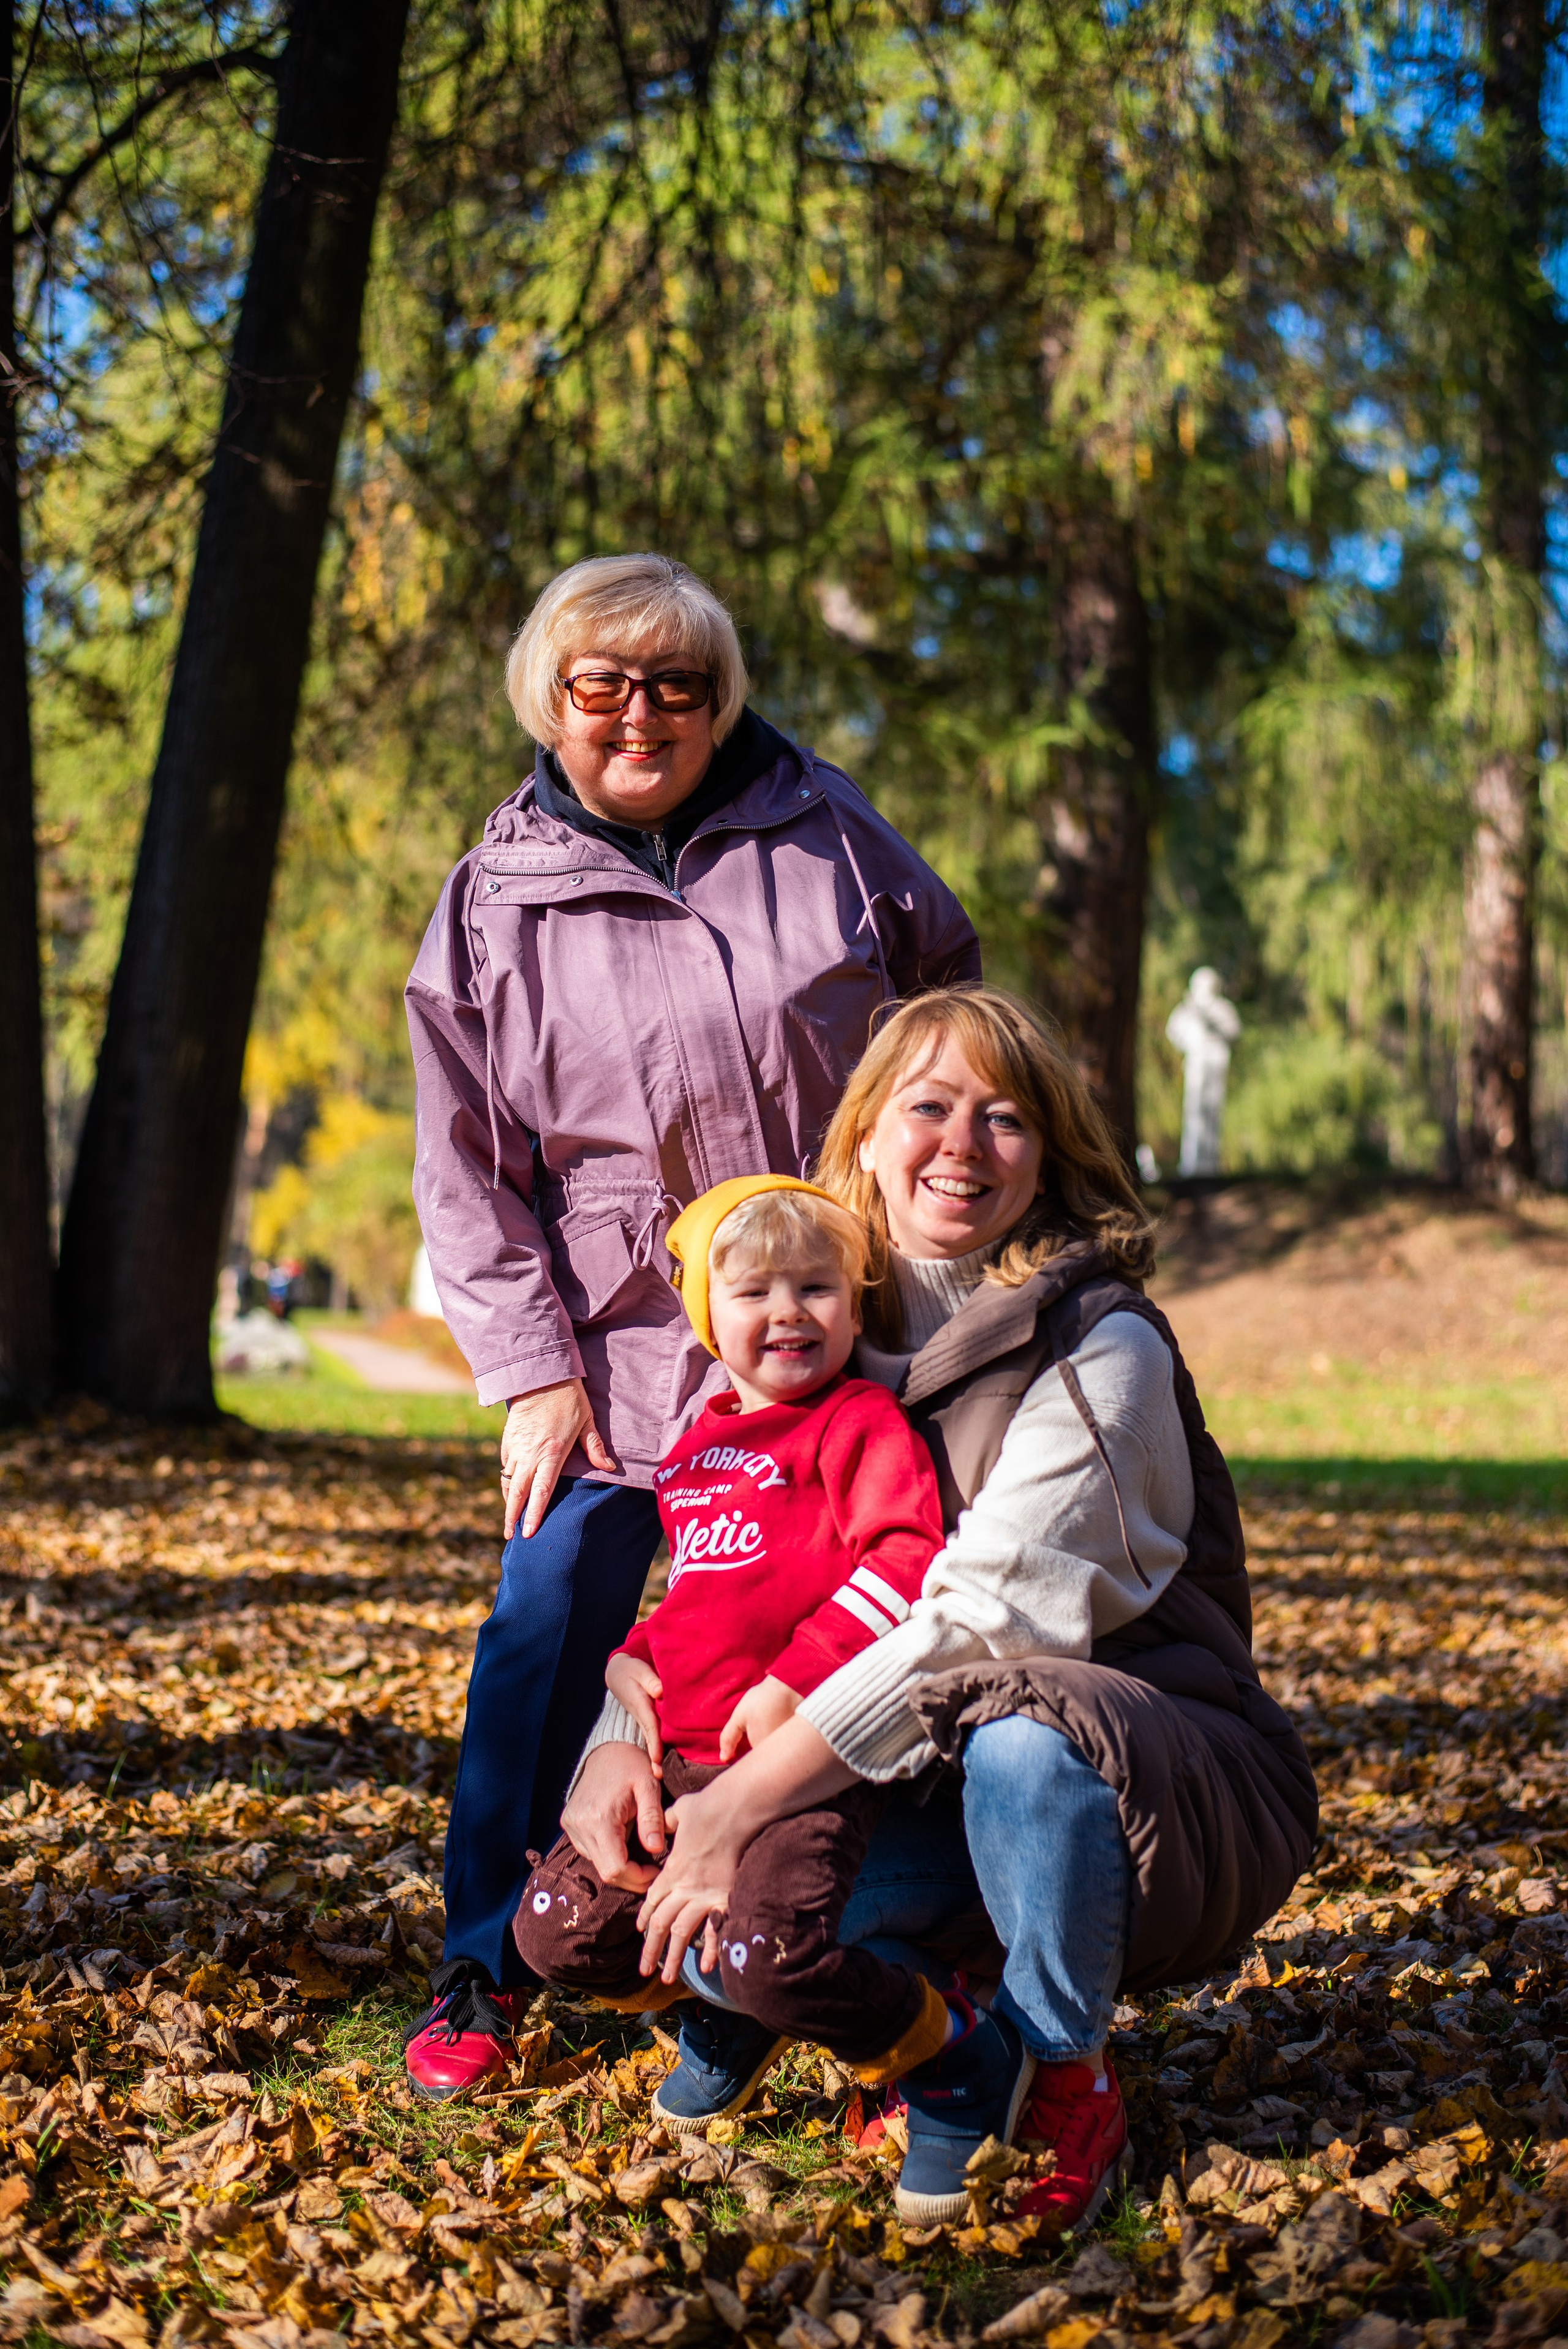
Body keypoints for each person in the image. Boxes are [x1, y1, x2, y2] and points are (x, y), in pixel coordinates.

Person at [562, 986, 1318, 2231]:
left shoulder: (1101, 1346)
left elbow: (983, 1626)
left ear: (1047, 1156)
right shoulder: (806, 1323)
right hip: (912, 1771)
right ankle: (937, 2011)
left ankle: (1064, 2067)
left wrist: (738, 1806)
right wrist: (618, 1739)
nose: (962, 1143)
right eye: (928, 1106)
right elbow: (718, 1573)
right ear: (864, 1135)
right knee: (699, 1929)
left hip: (1142, 1782)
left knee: (1017, 1731)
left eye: (1004, 1117)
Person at [402, 554, 979, 2097]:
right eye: (600, 684)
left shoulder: (827, 831)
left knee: (876, 1613)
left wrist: (911, 1219)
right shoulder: (490, 900)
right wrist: (531, 1373)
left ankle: (873, 1940)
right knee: (544, 1623)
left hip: (827, 1331)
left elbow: (947, 1015)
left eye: (677, 684)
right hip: (616, 1354)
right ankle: (486, 1959)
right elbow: (460, 1166)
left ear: (721, 701)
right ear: (549, 701)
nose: (639, 714)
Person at [514, 1172, 954, 2121]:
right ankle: (708, 2002)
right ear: (710, 1319)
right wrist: (634, 1654)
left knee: (769, 1958)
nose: (788, 1311)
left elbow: (908, 1558)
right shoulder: (694, 1454)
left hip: (804, 1762)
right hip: (679, 1759)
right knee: (554, 1928)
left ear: (854, 1308)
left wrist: (800, 1677)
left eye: (816, 1288)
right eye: (755, 1291)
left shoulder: (856, 1423)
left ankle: (936, 2035)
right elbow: (704, 1593)